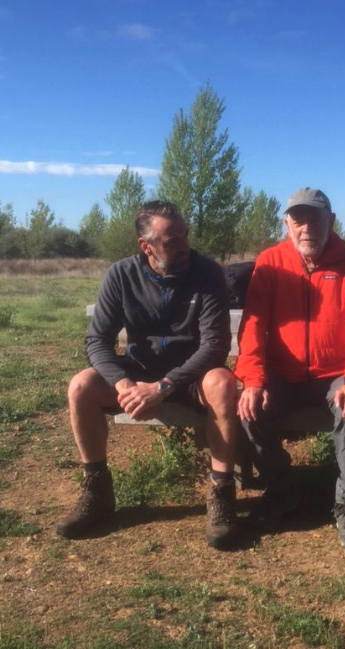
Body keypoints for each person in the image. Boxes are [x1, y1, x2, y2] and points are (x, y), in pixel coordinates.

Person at [57, 201, 239, 549]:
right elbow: (97, 341)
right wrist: (125, 385)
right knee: (81, 385)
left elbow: (215, 345)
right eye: (172, 241)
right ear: (146, 246)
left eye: (185, 235)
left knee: (222, 382)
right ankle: (97, 490)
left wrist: (164, 387)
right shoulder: (122, 274)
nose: (184, 245)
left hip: (190, 376)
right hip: (138, 373)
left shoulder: (207, 272)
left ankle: (222, 494)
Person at [235, 188, 345, 551]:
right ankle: (281, 490)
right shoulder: (269, 262)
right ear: (287, 223)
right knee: (249, 408)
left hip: (336, 372)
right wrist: (253, 380)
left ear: (330, 222)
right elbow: (253, 325)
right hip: (283, 374)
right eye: (298, 219)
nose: (306, 228)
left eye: (315, 219)